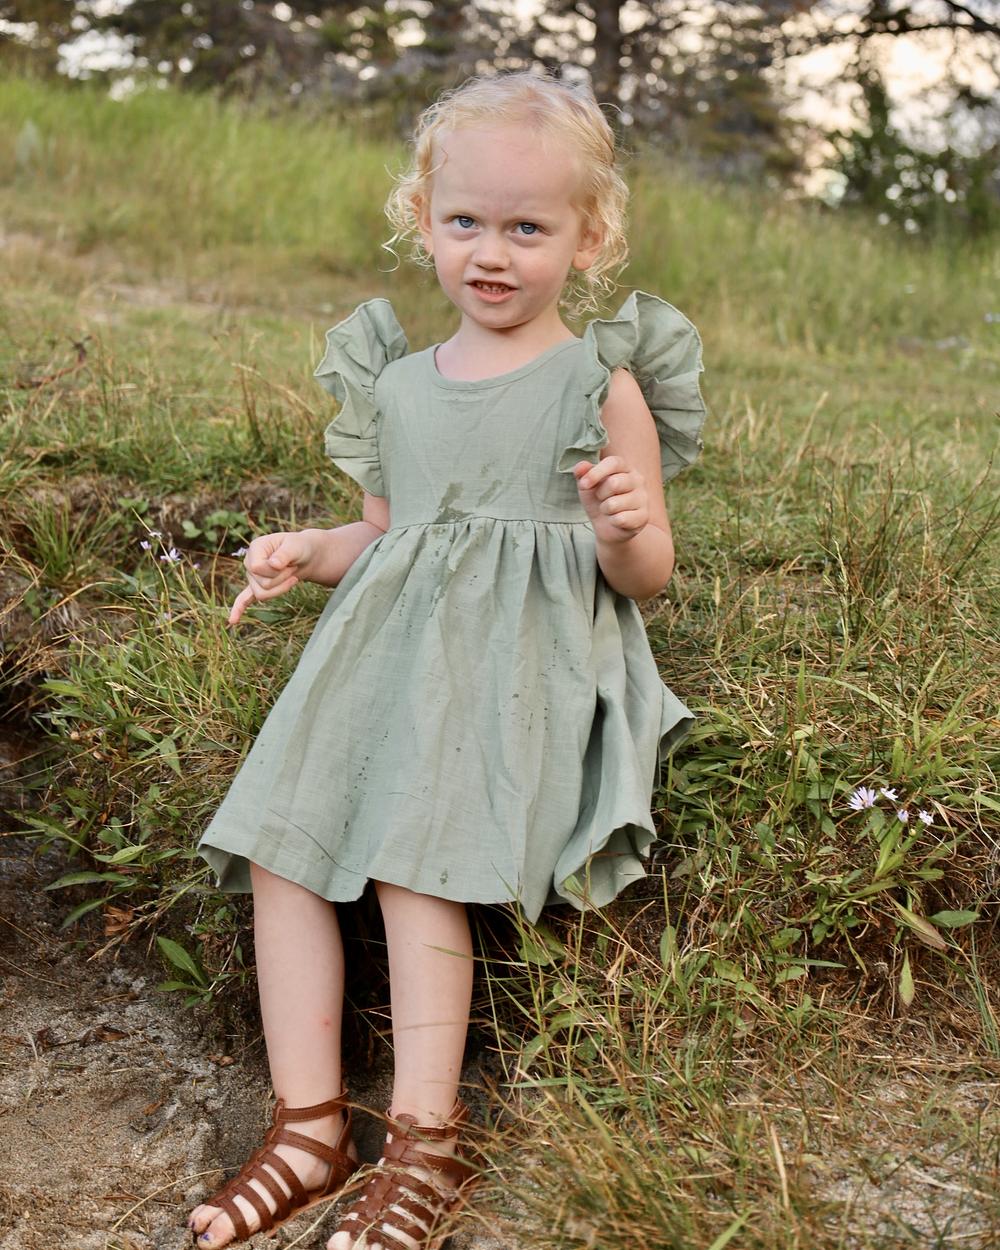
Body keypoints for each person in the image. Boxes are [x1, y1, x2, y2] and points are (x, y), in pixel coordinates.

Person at [189, 69, 706, 1250]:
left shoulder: (597, 382)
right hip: (384, 655)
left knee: (415, 860)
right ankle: (309, 1127)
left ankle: (427, 1136)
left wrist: (623, 527)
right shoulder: (397, 386)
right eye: (466, 220)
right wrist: (307, 551)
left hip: (513, 659)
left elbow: (645, 573)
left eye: (528, 228)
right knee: (281, 846)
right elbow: (385, 531)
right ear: (422, 221)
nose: (491, 251)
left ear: (588, 239)